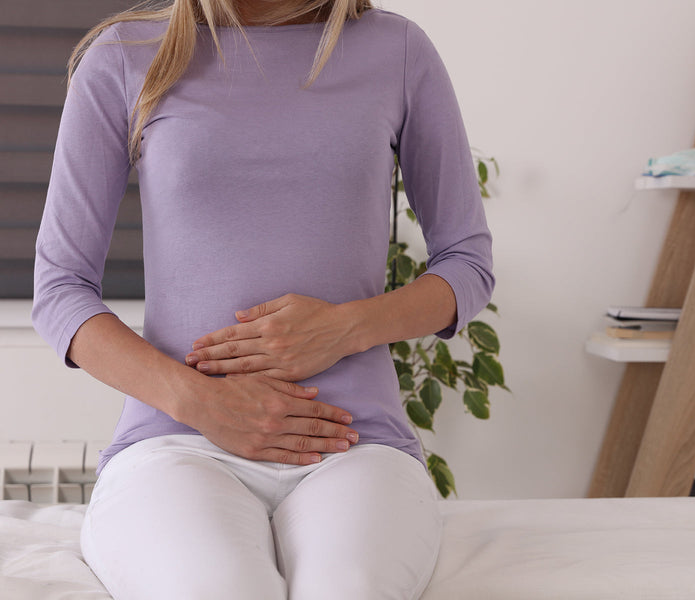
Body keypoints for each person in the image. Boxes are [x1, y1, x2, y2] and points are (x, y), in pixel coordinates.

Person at [32, 0, 494, 598]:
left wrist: (347, 327)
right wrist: (199, 401)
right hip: (177, 443)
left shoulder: (398, 51)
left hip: (356, 442)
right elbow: (60, 286)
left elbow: (467, 261)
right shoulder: (124, 55)